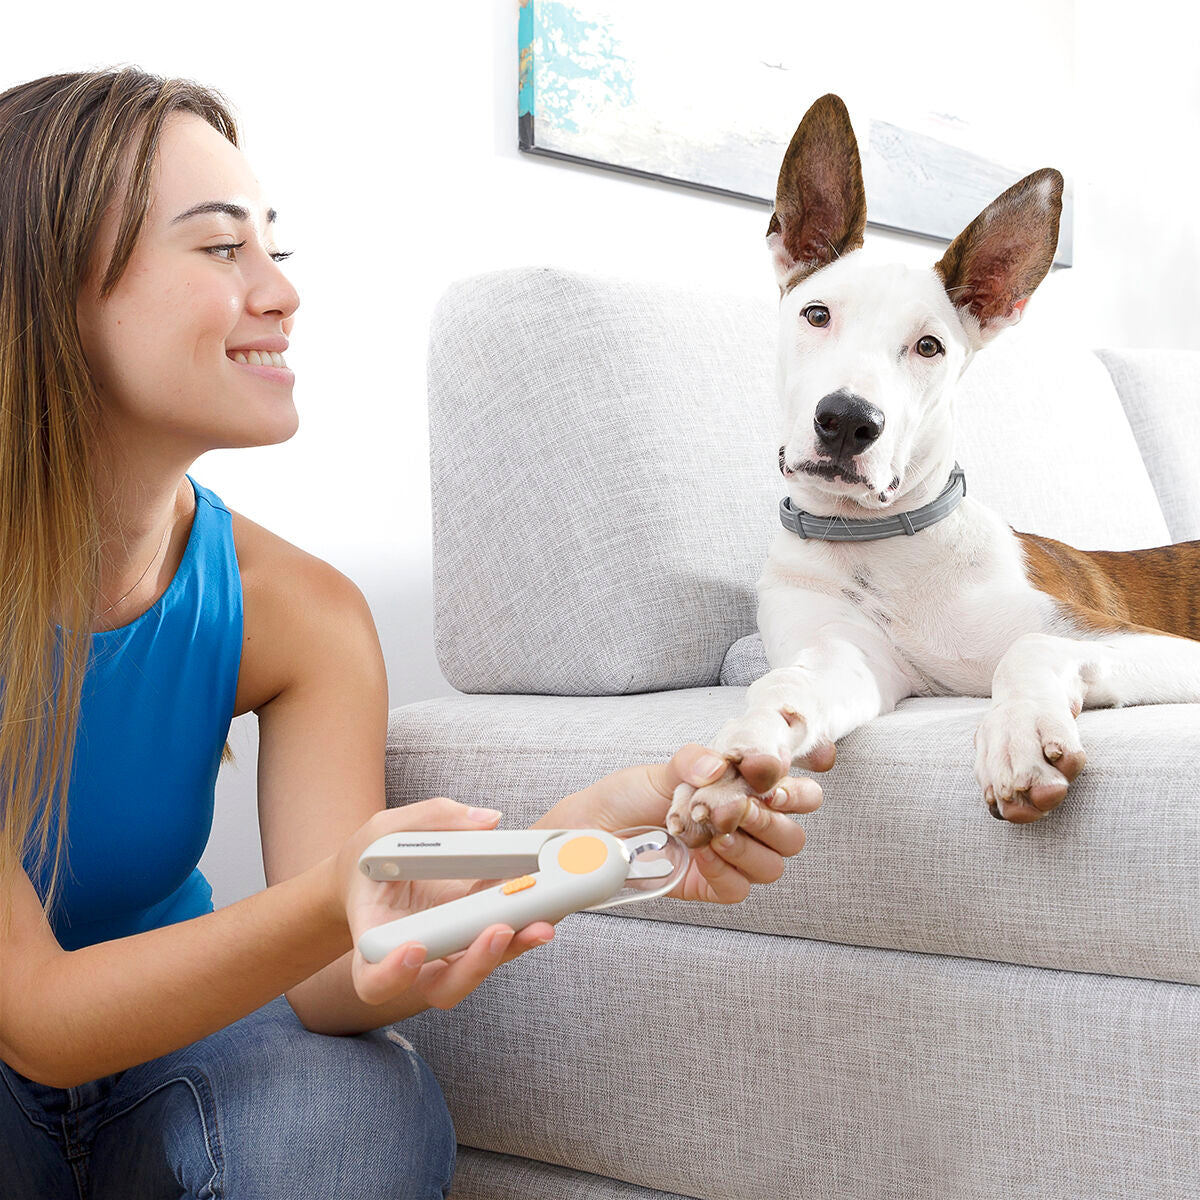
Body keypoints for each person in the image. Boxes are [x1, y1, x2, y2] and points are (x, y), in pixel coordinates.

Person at [0, 67, 823, 1198]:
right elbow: (37, 1018)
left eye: (273, 248)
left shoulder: (299, 612)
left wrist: (583, 846)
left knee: (352, 1113)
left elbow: (342, 971)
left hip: (166, 1054)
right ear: (52, 292)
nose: (280, 293)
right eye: (219, 248)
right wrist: (341, 889)